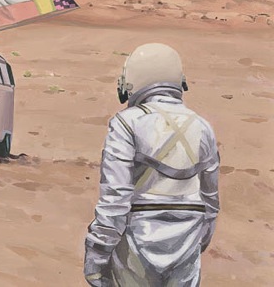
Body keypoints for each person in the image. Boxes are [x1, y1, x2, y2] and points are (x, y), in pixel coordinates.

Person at [84, 43, 220, 286]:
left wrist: (98, 251)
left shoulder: (125, 124)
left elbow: (115, 198)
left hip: (136, 244)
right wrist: (197, 240)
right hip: (188, 241)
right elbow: (210, 203)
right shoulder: (203, 127)